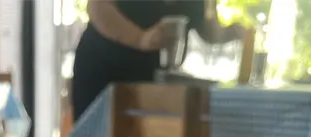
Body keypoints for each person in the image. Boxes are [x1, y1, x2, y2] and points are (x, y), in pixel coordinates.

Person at [71, 0, 246, 121]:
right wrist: (141, 38)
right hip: (105, 70)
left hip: (151, 79)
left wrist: (231, 33)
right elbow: (98, 7)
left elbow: (206, 27)